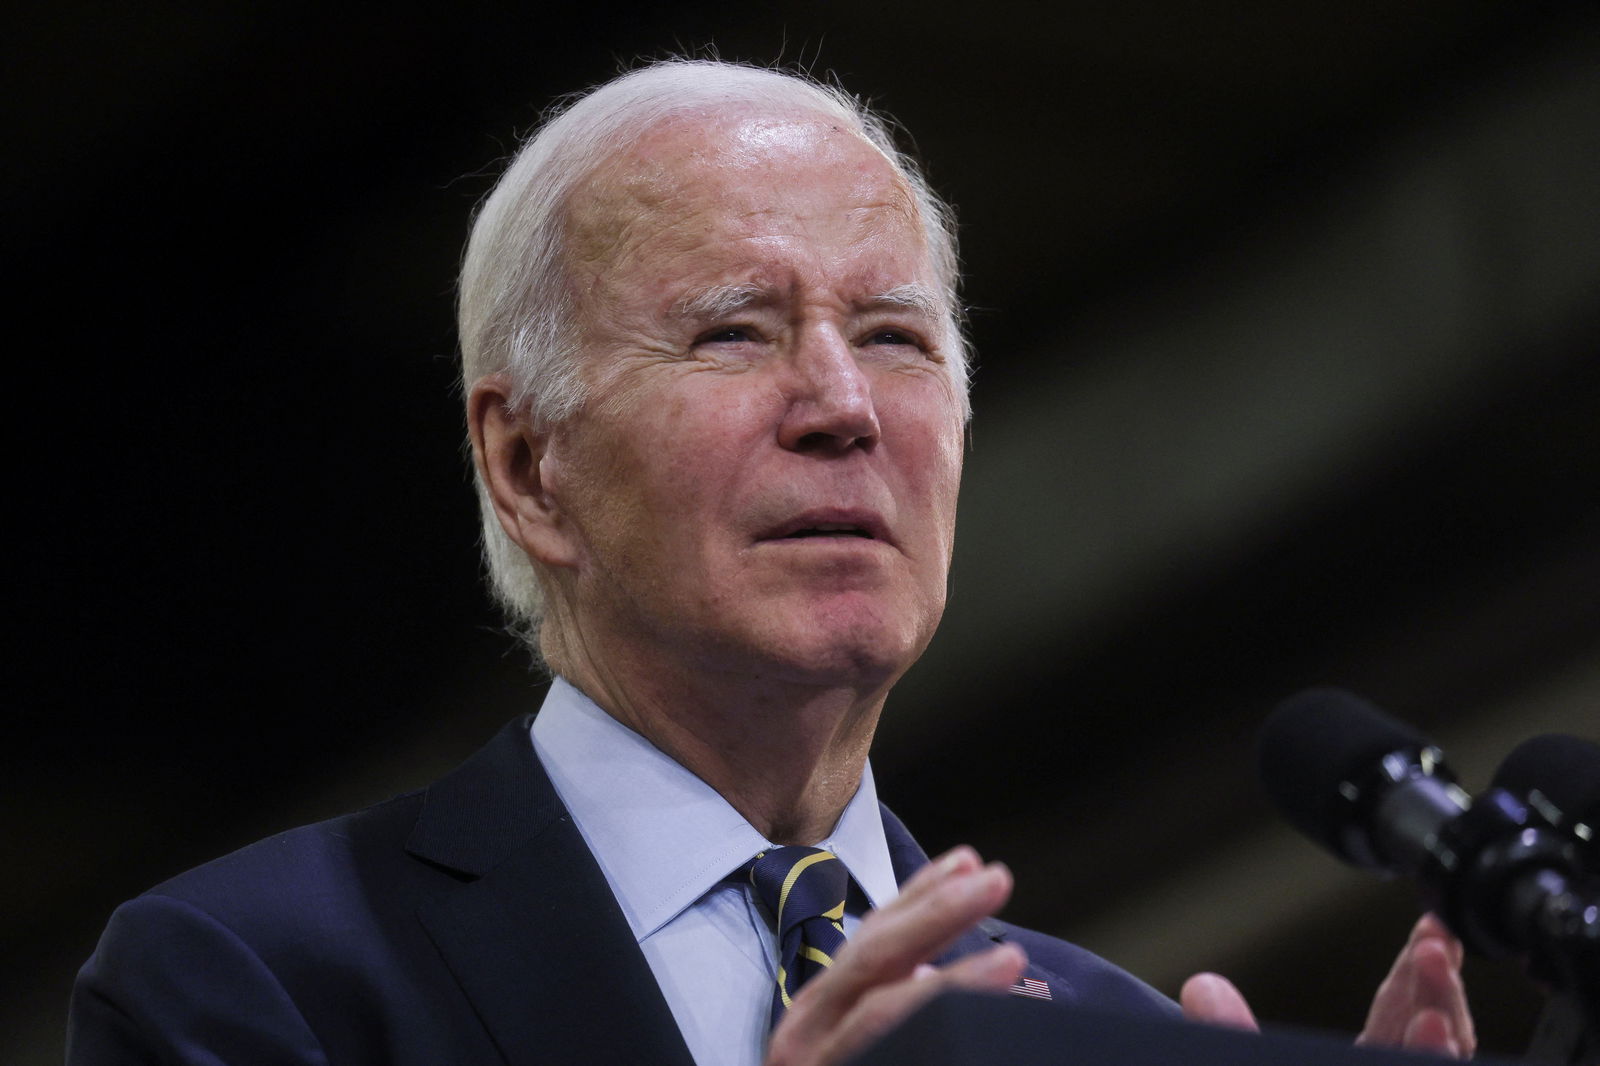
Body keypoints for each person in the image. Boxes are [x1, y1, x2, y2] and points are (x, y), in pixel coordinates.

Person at [68, 60, 1476, 1066]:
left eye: (895, 336)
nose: (843, 404)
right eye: (737, 329)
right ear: (526, 463)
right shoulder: (250, 976)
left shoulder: (1103, 1029)